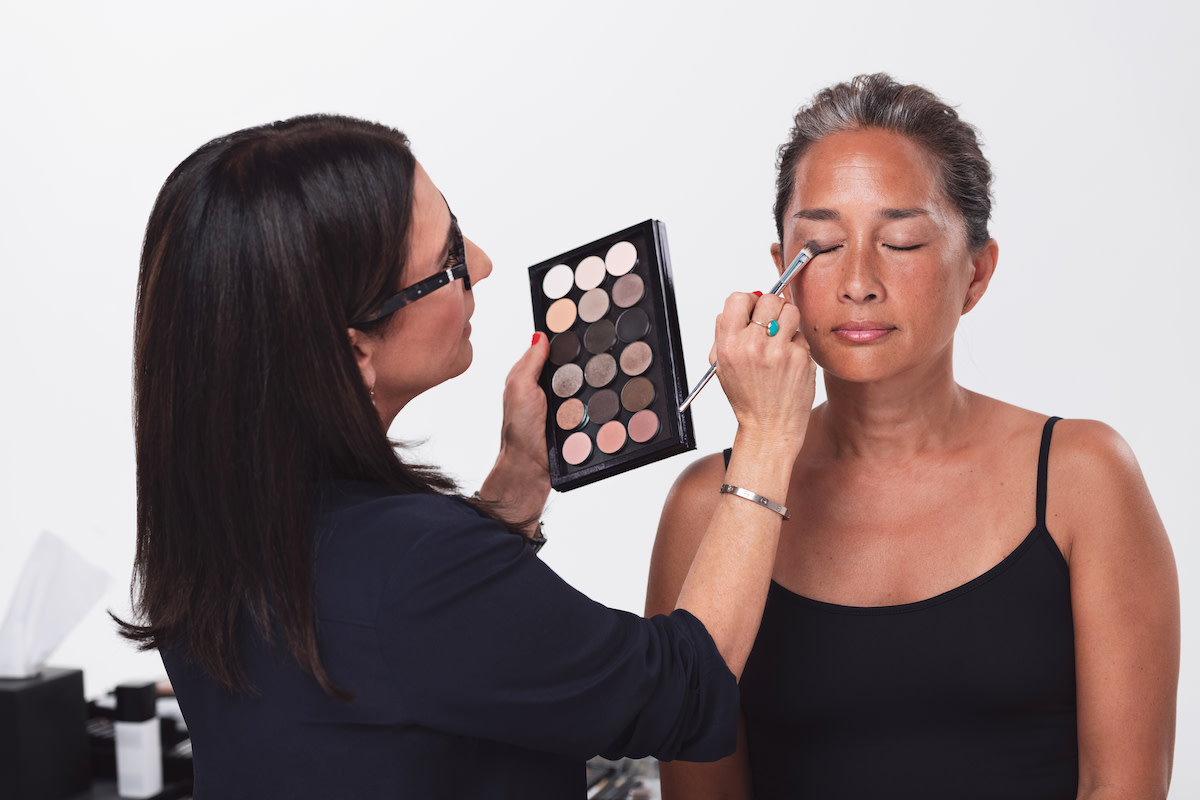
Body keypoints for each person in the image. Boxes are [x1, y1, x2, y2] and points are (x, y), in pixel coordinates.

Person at [117, 113, 818, 799]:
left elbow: (412, 667)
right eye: (449, 261)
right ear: (357, 349)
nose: (480, 264)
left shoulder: (222, 533)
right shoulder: (415, 568)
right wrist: (769, 431)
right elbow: (684, 690)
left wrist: (512, 493)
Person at [645, 74, 1179, 800]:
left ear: (977, 273)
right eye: (823, 246)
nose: (858, 281)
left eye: (900, 241)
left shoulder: (1085, 478)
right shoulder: (707, 506)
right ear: (781, 275)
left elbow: (1122, 787)